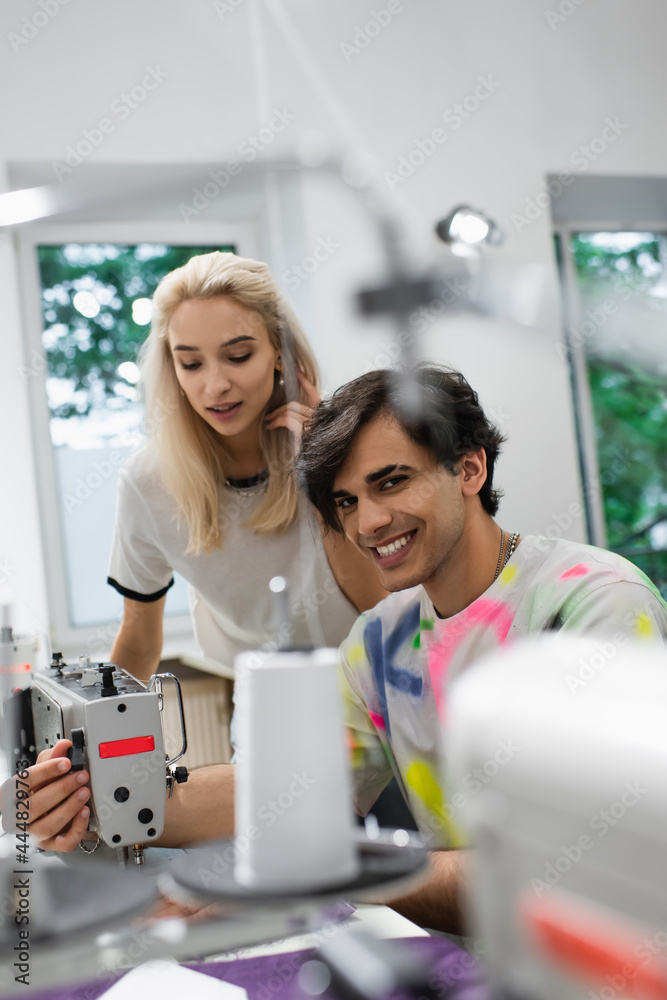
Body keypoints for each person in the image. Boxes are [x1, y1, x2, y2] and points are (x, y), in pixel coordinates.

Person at [19, 364, 667, 932]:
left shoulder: (594, 605)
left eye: (392, 482)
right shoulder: (382, 639)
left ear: (470, 468)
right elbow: (284, 793)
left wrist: (327, 869)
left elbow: (574, 880)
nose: (368, 522)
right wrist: (90, 799)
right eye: (346, 501)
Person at [17, 252, 386, 854]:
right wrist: (94, 756)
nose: (215, 385)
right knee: (277, 871)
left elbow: (383, 606)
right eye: (191, 363)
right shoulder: (149, 483)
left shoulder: (343, 448)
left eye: (238, 356)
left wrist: (324, 470)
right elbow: (140, 640)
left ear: (280, 354)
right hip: (269, 709)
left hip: (384, 693)